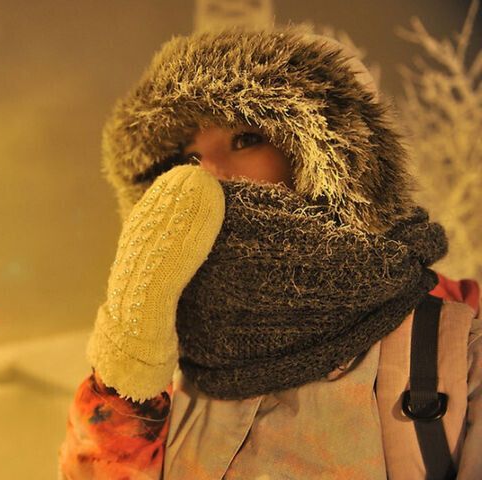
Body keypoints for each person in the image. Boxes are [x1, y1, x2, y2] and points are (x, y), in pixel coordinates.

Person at [58, 25, 482, 479]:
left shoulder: (456, 345)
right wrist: (129, 369)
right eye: (188, 159)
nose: (207, 175)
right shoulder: (174, 352)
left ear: (328, 154)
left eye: (245, 139)